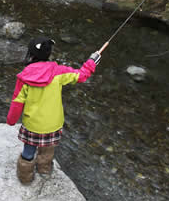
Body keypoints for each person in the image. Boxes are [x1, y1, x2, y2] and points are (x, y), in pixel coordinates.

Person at [6, 36, 105, 184]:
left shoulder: (24, 77)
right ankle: (44, 170)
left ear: (31, 55)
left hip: (33, 125)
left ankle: (25, 178)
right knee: (48, 150)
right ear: (48, 54)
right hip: (53, 124)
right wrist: (92, 61)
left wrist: (11, 120)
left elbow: (17, 102)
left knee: (28, 151)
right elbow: (82, 75)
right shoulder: (59, 72)